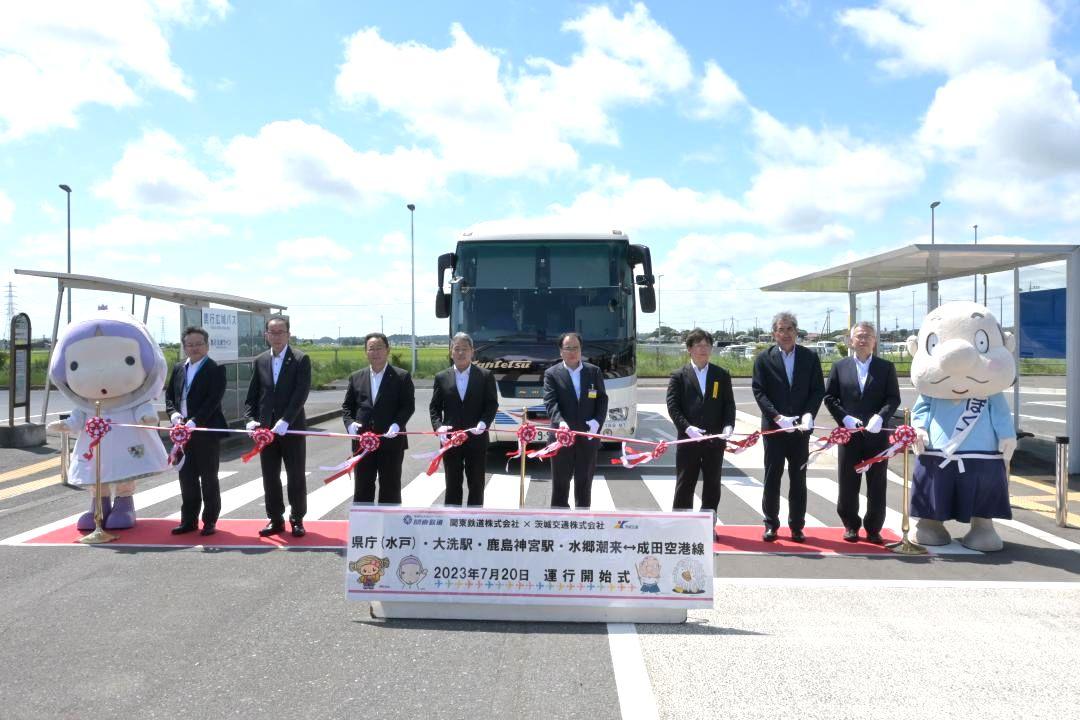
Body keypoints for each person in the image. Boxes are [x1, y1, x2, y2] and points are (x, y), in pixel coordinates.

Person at [824, 322, 901, 544]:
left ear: (875, 341)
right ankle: (850, 525)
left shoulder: (886, 367)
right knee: (848, 482)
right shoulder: (840, 366)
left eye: (868, 336)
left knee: (877, 483)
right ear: (851, 341)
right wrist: (844, 418)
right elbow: (830, 397)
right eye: (859, 336)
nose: (863, 340)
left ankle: (874, 527)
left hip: (877, 436)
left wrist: (881, 416)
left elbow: (893, 398)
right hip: (850, 436)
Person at [751, 312, 825, 542]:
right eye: (781, 329)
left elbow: (817, 390)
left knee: (798, 478)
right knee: (772, 477)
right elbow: (759, 391)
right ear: (774, 333)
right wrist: (776, 416)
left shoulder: (809, 357)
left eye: (789, 329)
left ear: (796, 331)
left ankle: (797, 526)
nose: (785, 334)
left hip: (800, 430)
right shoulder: (764, 359)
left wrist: (809, 415)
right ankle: (771, 524)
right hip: (775, 429)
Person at [244, 316, 311, 538]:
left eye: (281, 332)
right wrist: (250, 418)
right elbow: (253, 393)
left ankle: (297, 519)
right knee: (269, 476)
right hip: (266, 431)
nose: (277, 336)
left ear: (288, 334)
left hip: (290, 428)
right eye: (272, 333)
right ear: (266, 336)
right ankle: (275, 518)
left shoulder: (301, 359)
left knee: (295, 475)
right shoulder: (261, 360)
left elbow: (301, 393)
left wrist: (286, 419)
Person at [666, 328, 735, 535]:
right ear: (690, 349)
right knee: (685, 481)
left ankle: (707, 525)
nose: (703, 349)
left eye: (707, 345)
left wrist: (728, 425)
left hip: (714, 440)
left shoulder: (720, 375)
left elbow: (728, 405)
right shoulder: (679, 376)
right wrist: (687, 428)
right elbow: (673, 406)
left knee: (713, 484)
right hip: (688, 440)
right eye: (699, 345)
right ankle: (680, 525)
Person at [165, 326, 227, 536]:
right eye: (190, 345)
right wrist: (174, 415)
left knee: (209, 478)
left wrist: (193, 422)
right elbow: (170, 396)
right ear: (184, 347)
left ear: (207, 345)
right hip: (181, 433)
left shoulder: (215, 368)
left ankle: (210, 521)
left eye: (199, 344)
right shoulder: (178, 368)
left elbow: (213, 400)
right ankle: (188, 520)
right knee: (186, 477)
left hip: (205, 431)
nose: (194, 348)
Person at [342, 332, 415, 504]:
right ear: (365, 352)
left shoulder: (401, 376)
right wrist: (349, 424)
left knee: (390, 486)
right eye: (371, 349)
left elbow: (408, 406)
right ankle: (365, 528)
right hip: (363, 442)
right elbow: (347, 407)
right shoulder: (356, 377)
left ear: (387, 350)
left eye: (379, 348)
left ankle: (389, 528)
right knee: (362, 487)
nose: (375, 352)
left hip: (391, 442)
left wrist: (398, 424)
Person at [429, 332, 498, 506]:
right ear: (451, 352)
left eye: (465, 349)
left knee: (476, 483)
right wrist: (439, 428)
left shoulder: (485, 376)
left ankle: (474, 519)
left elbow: (491, 405)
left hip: (476, 439)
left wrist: (483, 423)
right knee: (452, 483)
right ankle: (452, 519)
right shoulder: (441, 377)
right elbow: (434, 407)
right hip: (451, 440)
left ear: (472, 351)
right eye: (457, 349)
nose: (461, 353)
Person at [542, 332, 608, 509]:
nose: (572, 352)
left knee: (584, 483)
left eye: (576, 348)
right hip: (562, 438)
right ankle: (559, 520)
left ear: (581, 350)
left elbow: (602, 399)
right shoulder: (552, 374)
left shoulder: (593, 372)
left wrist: (597, 422)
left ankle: (582, 520)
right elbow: (550, 401)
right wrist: (560, 422)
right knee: (560, 484)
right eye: (568, 348)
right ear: (561, 351)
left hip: (588, 438)